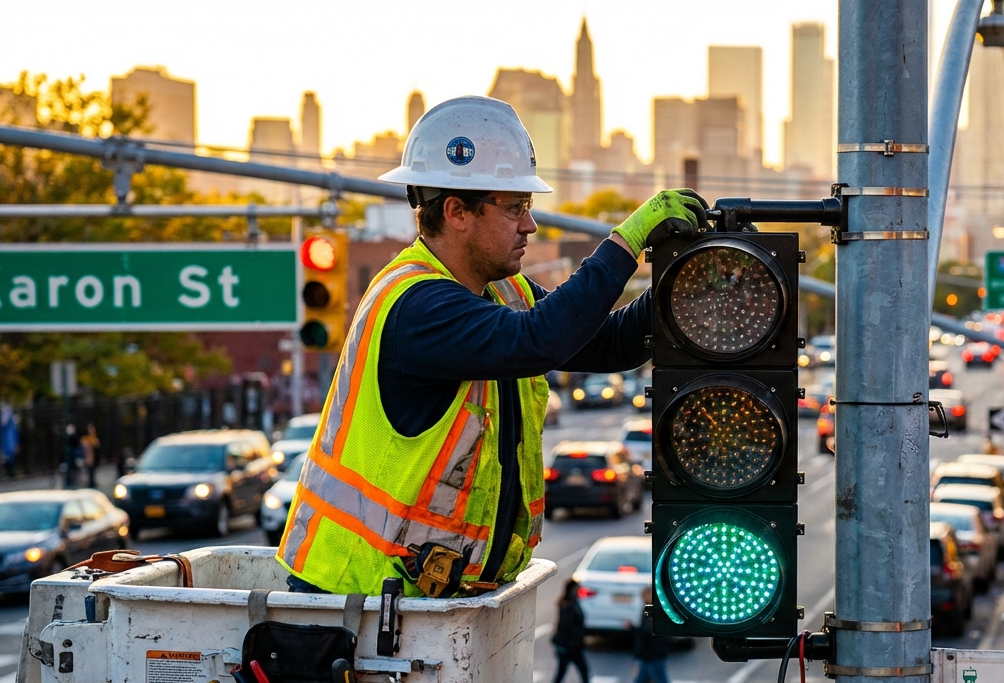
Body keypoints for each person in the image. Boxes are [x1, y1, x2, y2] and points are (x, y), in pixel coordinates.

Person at [275, 96, 708, 597]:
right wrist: (626, 241)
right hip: (357, 607)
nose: (531, 225)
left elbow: (609, 344)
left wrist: (686, 284)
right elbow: (540, 340)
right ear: (457, 211)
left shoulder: (503, 293)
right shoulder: (417, 306)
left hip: (428, 608)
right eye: (515, 208)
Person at [615, 588, 682, 683]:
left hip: (653, 655)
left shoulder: (654, 609)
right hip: (648, 655)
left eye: (644, 595)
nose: (642, 598)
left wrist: (632, 628)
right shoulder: (650, 607)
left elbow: (648, 631)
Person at [549, 578, 598, 683]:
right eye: (577, 589)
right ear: (572, 590)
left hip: (573, 646)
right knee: (571, 673)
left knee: (572, 673)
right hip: (569, 647)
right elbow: (565, 628)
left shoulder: (573, 602)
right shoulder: (567, 606)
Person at [0, 405, 19, 477]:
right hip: (6, 444)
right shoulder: (4, 428)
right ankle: (8, 473)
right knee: (6, 458)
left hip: (10, 443)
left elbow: (15, 433)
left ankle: (11, 473)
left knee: (10, 458)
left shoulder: (11, 426)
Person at [80, 424, 100, 488]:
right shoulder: (86, 439)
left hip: (94, 458)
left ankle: (92, 483)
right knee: (89, 472)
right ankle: (90, 484)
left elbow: (97, 446)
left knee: (93, 472)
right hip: (88, 458)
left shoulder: (94, 438)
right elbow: (85, 447)